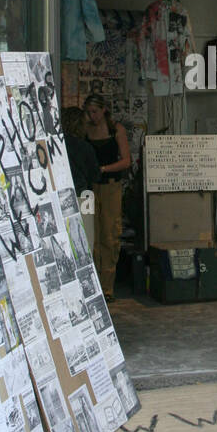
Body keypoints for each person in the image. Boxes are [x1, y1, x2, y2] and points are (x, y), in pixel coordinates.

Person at [82, 93, 131, 300]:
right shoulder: (85, 131)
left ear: (104, 110)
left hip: (111, 185)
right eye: (89, 112)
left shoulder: (115, 130)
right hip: (91, 187)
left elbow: (126, 161)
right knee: (91, 234)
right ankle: (93, 284)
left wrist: (103, 168)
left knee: (110, 234)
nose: (92, 116)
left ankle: (108, 285)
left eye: (95, 111)